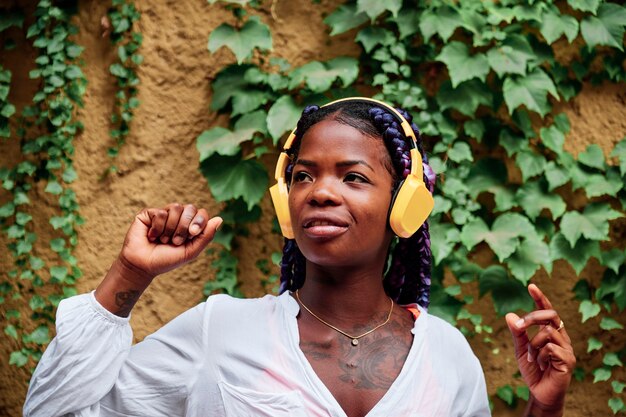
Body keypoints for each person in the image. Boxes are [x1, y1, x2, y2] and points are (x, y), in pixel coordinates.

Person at [23, 97, 575, 417]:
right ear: (285, 204)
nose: (319, 191)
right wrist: (130, 275)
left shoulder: (449, 356)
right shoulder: (220, 329)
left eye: (353, 177)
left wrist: (543, 409)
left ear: (405, 205)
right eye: (302, 175)